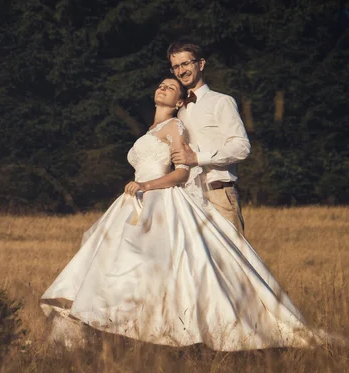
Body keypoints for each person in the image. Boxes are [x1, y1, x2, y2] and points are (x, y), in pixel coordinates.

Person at [40, 78, 326, 351]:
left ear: (179, 101)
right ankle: (115, 325)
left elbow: (180, 173)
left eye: (171, 87)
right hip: (133, 199)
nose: (163, 88)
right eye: (161, 85)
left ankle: (172, 329)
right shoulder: (151, 129)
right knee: (119, 261)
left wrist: (146, 185)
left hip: (156, 196)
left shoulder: (174, 126)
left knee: (152, 263)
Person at [168, 41, 250, 234]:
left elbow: (242, 147)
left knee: (230, 261)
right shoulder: (178, 112)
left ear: (201, 64)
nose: (181, 71)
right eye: (176, 67)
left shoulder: (222, 102)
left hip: (218, 194)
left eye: (186, 64)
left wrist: (197, 158)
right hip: (188, 199)